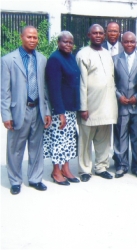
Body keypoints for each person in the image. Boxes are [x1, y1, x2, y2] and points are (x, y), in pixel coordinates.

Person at [1, 26, 52, 195]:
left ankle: (35, 178)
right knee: (15, 148)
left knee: (36, 147)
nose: (32, 40)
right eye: (29, 37)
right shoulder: (9, 60)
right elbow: (4, 91)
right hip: (18, 112)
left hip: (37, 109)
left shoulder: (42, 59)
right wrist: (6, 115)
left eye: (35, 37)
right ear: (22, 37)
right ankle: (15, 181)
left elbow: (44, 88)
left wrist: (47, 111)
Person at [76, 24, 118, 182]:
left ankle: (101, 167)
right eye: (95, 33)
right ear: (89, 35)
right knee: (86, 140)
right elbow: (81, 83)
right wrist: (83, 107)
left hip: (107, 106)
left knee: (103, 139)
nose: (99, 35)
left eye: (101, 33)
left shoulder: (108, 54)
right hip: (90, 106)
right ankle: (84, 170)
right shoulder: (83, 54)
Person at [43, 31, 81, 185]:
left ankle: (66, 169)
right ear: (58, 42)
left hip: (70, 107)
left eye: (71, 42)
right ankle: (56, 171)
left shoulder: (71, 57)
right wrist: (60, 112)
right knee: (58, 141)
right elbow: (54, 88)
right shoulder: (54, 59)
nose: (68, 45)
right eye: (65, 42)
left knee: (69, 140)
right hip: (60, 109)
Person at [112, 31, 137, 179]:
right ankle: (121, 165)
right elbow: (110, 82)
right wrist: (119, 96)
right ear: (122, 43)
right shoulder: (114, 60)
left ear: (136, 43)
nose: (129, 44)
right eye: (126, 42)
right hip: (121, 105)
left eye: (132, 42)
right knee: (120, 136)